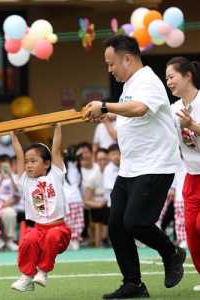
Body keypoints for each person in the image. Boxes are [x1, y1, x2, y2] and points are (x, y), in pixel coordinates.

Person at [85, 35, 184, 299]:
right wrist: (106, 115)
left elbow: (139, 109)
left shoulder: (148, 80)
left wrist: (105, 105)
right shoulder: (129, 85)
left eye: (111, 63)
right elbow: (123, 132)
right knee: (116, 226)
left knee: (136, 222)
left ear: (127, 58)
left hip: (155, 166)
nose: (109, 69)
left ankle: (171, 252)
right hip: (130, 169)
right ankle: (133, 284)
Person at [10, 125, 71, 292]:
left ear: (47, 163)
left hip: (59, 230)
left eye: (34, 161)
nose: (28, 165)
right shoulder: (25, 181)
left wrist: (58, 126)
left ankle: (43, 271)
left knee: (52, 236)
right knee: (28, 240)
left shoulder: (56, 174)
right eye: (27, 162)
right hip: (38, 229)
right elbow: (19, 156)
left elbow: (56, 148)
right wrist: (13, 136)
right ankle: (27, 277)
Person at [166, 56, 200, 292]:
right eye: (166, 78)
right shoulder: (173, 109)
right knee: (191, 233)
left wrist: (195, 127)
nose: (168, 82)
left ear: (188, 75)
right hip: (191, 177)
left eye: (171, 77)